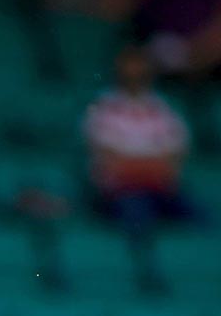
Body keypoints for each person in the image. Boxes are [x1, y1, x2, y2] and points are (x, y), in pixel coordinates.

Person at [83, 47, 199, 234]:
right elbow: (110, 162)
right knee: (138, 222)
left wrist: (136, 162)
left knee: (203, 222)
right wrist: (153, 164)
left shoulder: (163, 109)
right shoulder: (102, 109)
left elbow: (175, 159)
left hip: (161, 191)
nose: (135, 73)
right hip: (121, 193)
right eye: (129, 68)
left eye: (139, 68)